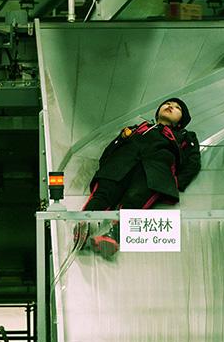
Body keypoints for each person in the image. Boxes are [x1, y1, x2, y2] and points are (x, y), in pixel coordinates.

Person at [74, 97, 201, 257]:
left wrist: (176, 182)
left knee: (135, 200)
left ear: (180, 121)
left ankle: (112, 237)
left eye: (177, 108)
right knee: (104, 193)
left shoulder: (184, 136)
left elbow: (193, 161)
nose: (170, 106)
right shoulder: (136, 129)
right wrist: (106, 167)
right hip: (120, 165)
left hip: (154, 172)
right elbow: (111, 149)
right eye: (167, 104)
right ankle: (85, 228)